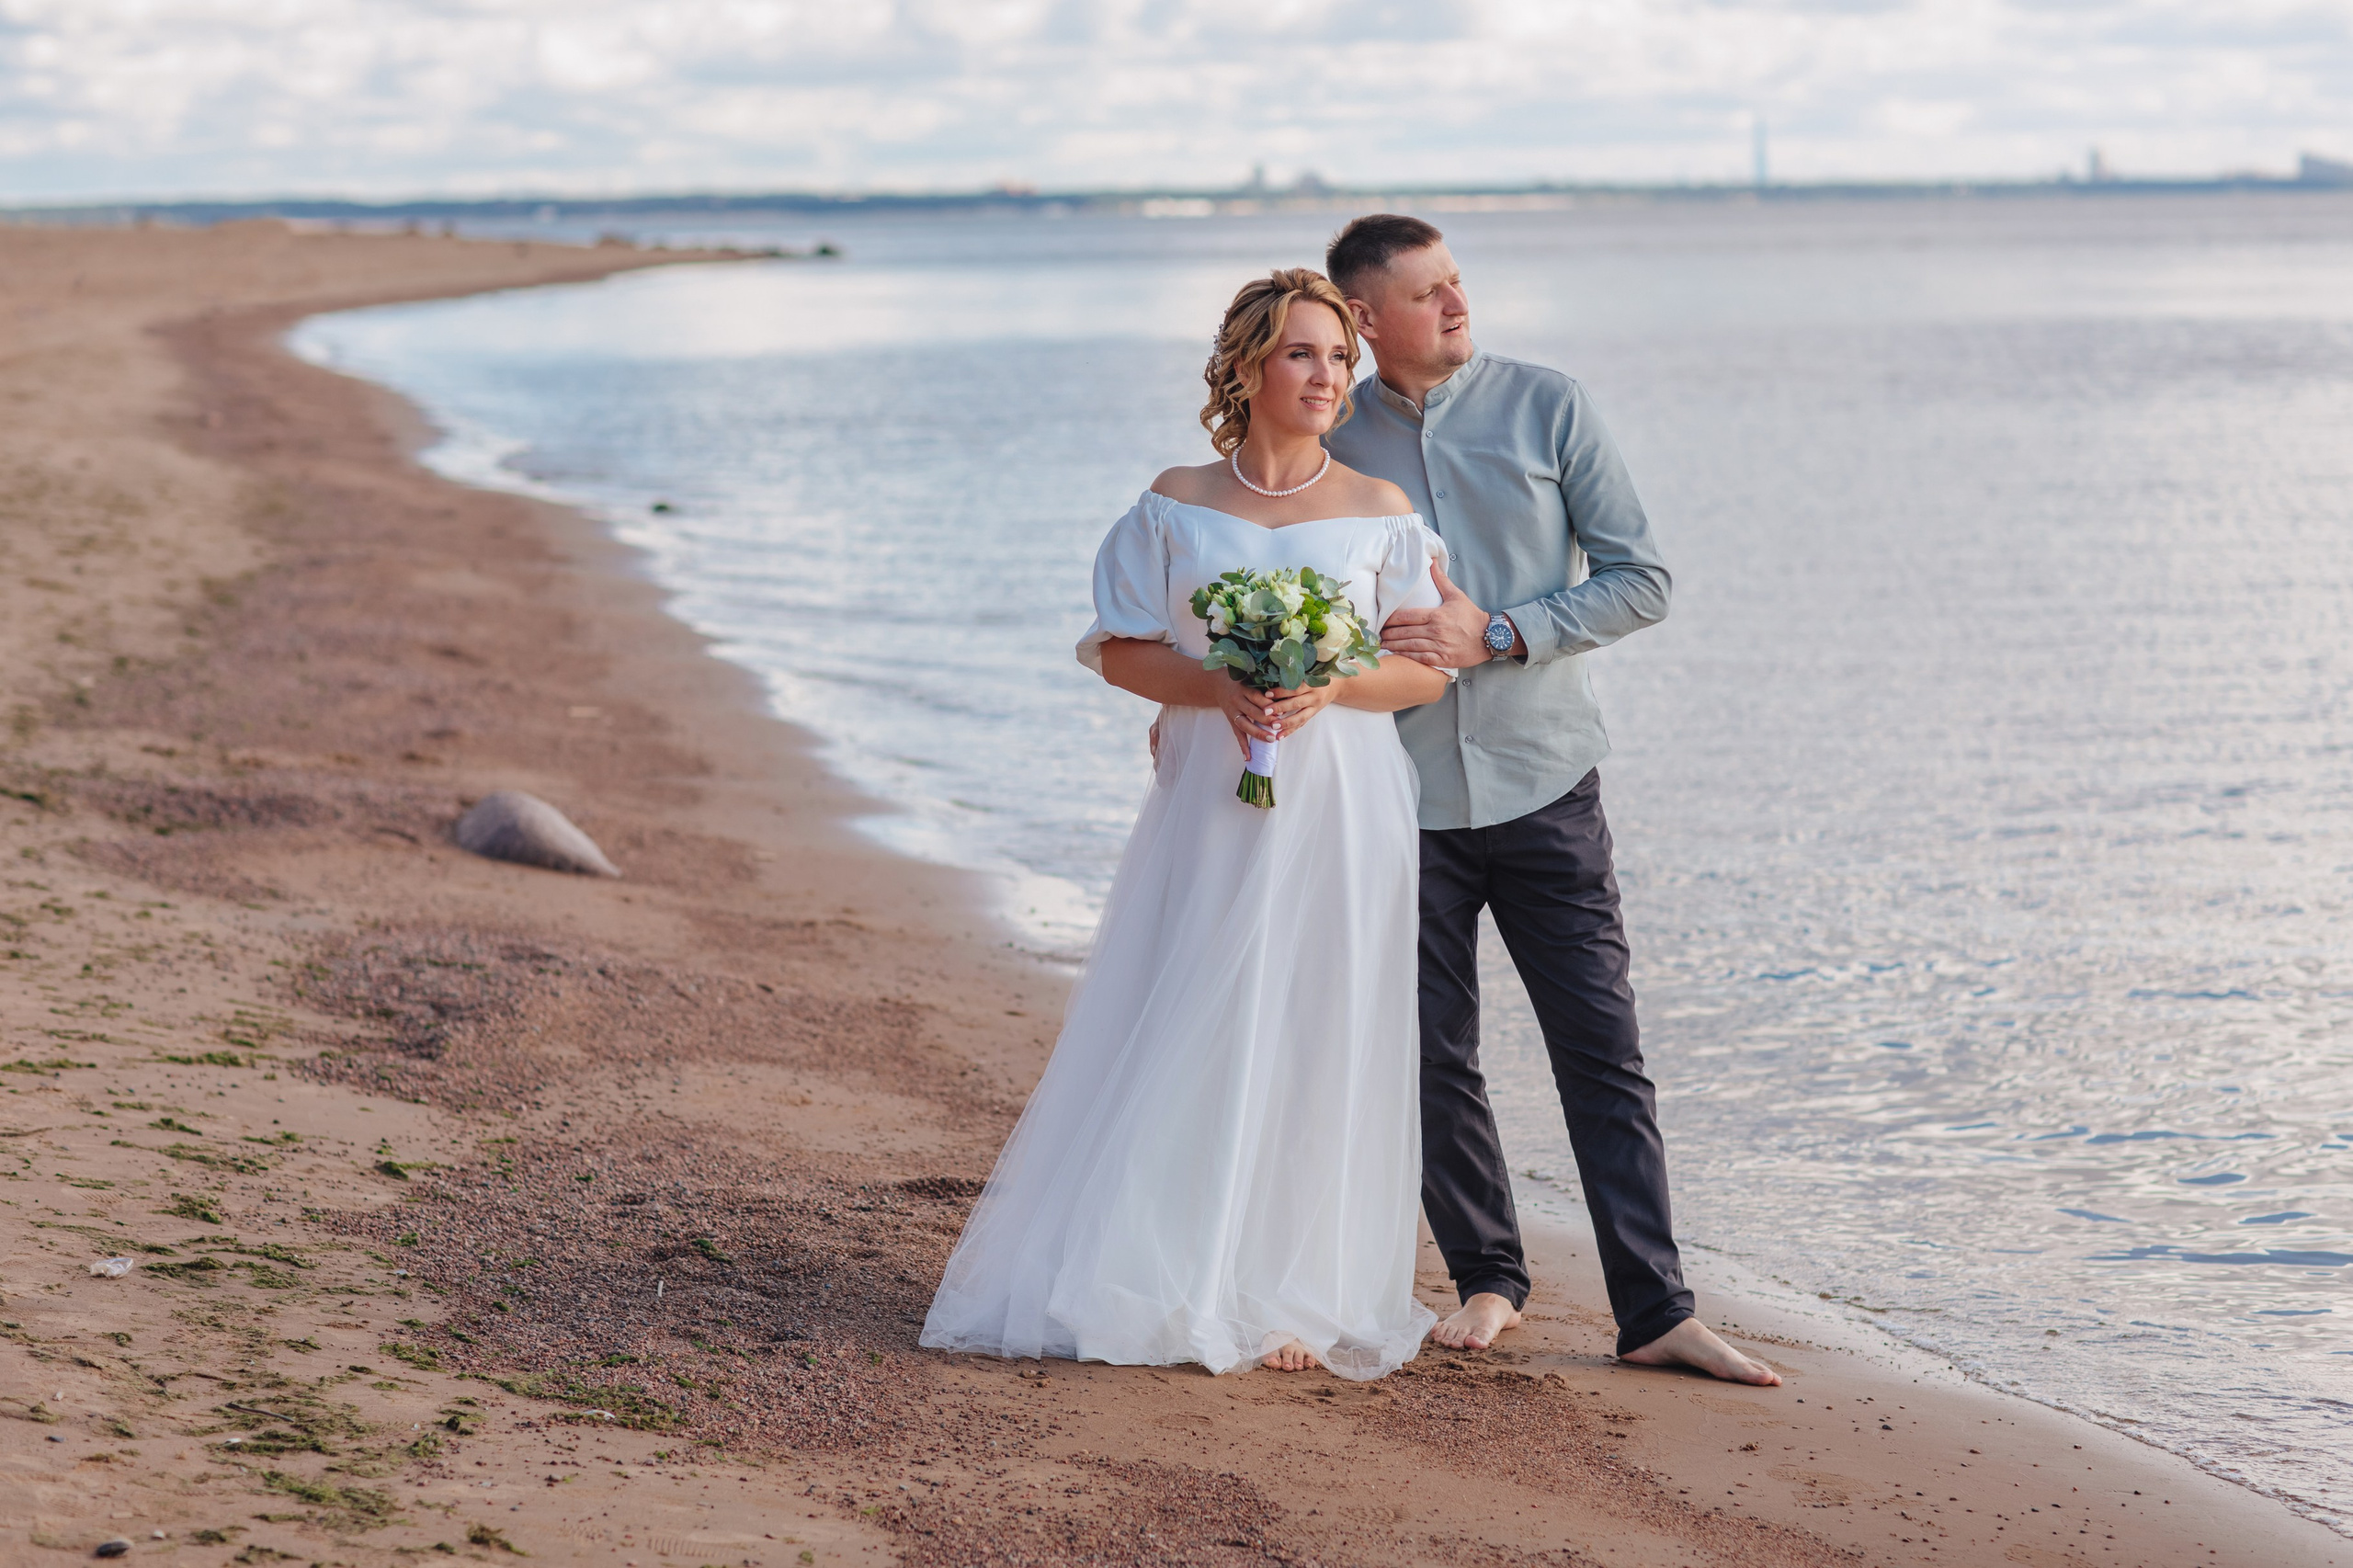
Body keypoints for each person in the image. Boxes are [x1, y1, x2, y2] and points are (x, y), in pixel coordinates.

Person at [920, 268, 1451, 1378]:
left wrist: (1326, 686)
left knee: (1314, 1021)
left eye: (1340, 359)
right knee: (1188, 1001)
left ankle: (1292, 1286)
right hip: (1213, 792)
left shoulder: (1382, 513)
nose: (1325, 376)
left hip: (1340, 798)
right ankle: (1160, 1265)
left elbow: (1421, 675)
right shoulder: (1172, 502)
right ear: (1250, 364)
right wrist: (1220, 685)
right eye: (1303, 353)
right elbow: (1119, 648)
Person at [1322, 213, 1779, 1386]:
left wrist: (1506, 630)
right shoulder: (1333, 436)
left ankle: (1656, 1310)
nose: (1457, 305)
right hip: (1397, 795)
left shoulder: (1549, 406)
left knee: (1602, 1051)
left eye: (1457, 282)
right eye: (1426, 293)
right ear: (1365, 321)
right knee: (1430, 1055)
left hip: (1545, 785)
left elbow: (1643, 579)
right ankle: (1487, 1279)